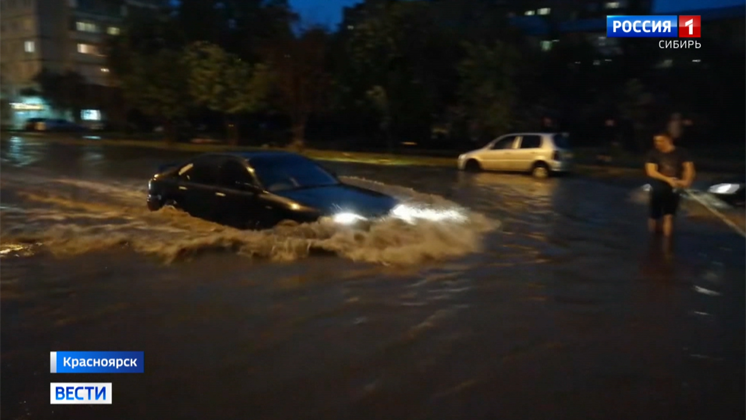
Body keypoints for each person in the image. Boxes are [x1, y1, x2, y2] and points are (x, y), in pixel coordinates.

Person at [645, 133, 696, 237]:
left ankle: (667, 243)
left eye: (660, 141)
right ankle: (653, 240)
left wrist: (687, 181)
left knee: (669, 215)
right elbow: (651, 171)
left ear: (669, 140)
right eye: (656, 141)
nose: (657, 143)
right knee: (654, 215)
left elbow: (689, 168)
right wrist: (668, 179)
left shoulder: (682, 153)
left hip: (675, 187)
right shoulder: (653, 153)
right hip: (658, 186)